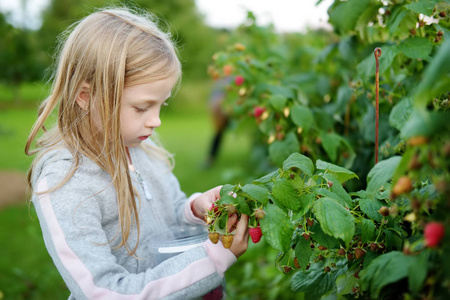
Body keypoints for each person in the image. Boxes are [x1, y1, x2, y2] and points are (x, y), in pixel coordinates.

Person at [25, 7, 249, 300]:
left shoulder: (141, 149)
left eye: (161, 106)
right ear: (86, 96)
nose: (155, 120)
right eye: (142, 107)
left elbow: (169, 217)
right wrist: (212, 260)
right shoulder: (66, 183)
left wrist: (196, 209)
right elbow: (102, 292)